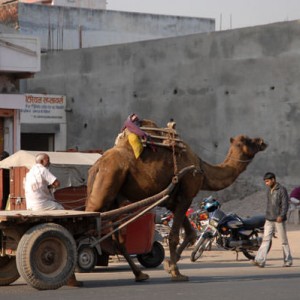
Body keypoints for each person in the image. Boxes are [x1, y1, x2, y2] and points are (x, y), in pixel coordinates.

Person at [24, 153, 81, 286]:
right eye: (48, 160)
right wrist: (52, 187)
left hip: (31, 205)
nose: (49, 163)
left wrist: (46, 187)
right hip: (43, 205)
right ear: (43, 161)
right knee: (61, 209)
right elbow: (56, 183)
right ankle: (66, 235)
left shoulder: (30, 172)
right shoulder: (43, 170)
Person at [253, 172, 292, 268]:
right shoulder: (268, 190)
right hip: (269, 219)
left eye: (267, 181)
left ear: (273, 180)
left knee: (284, 241)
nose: (266, 183)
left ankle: (288, 260)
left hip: (279, 219)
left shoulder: (282, 190)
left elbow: (285, 205)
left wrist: (282, 215)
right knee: (266, 239)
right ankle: (260, 260)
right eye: (265, 182)